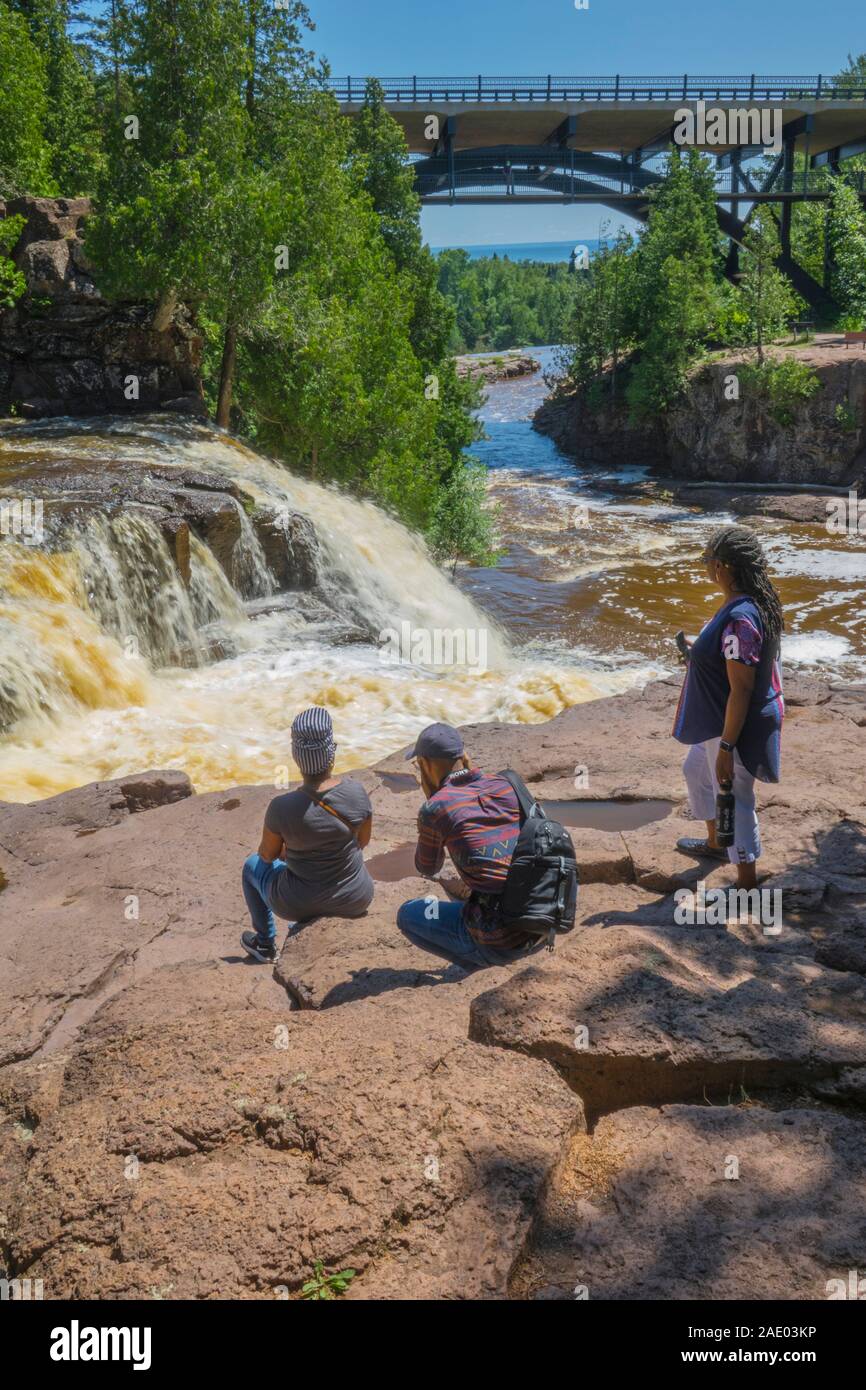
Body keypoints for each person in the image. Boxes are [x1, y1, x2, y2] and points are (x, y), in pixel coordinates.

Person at [673, 525, 784, 892]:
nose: (706, 567)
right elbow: (732, 658)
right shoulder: (750, 603)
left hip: (731, 723)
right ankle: (716, 845)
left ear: (722, 567)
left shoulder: (741, 618)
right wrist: (699, 650)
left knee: (734, 795)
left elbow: (741, 687)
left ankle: (747, 884)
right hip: (718, 718)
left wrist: (725, 747)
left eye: (708, 561)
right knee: (695, 770)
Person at [396, 722, 541, 968]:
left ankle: (481, 964)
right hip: (541, 920)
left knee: (408, 913)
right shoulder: (506, 783)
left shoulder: (436, 808)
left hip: (501, 941)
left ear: (427, 764)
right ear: (462, 757)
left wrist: (432, 812)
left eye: (418, 764)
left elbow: (427, 867)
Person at [241, 707, 374, 962]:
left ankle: (265, 944)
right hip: (355, 897)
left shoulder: (281, 807)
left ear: (296, 756)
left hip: (297, 903)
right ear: (332, 753)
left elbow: (266, 856)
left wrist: (291, 851)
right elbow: (362, 842)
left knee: (251, 866)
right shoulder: (357, 793)